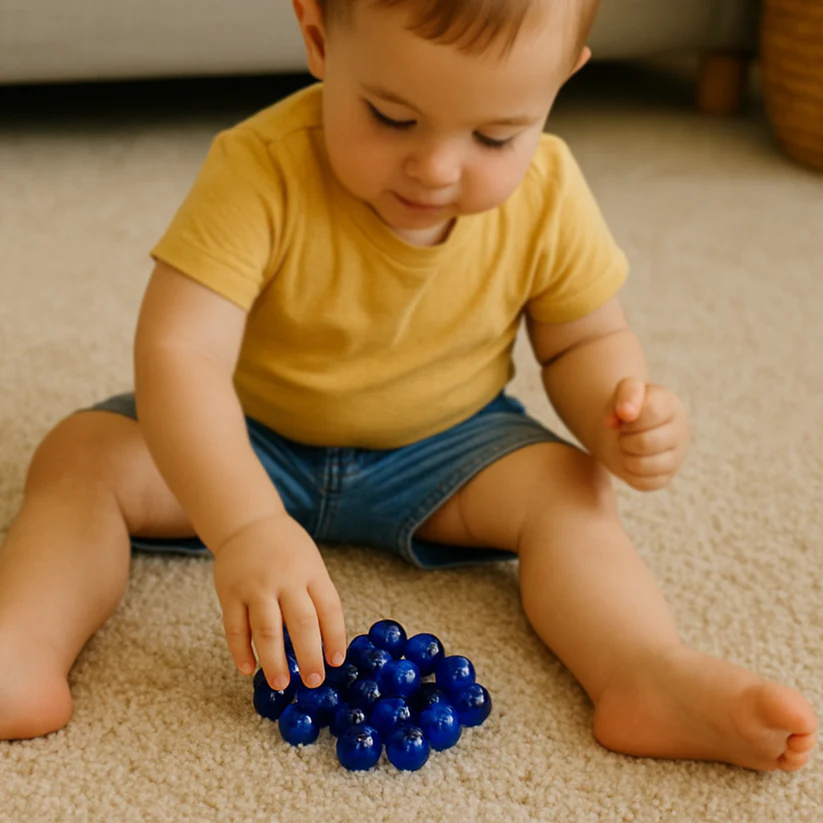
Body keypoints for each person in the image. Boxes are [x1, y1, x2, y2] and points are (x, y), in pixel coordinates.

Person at [0, 0, 816, 771]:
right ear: (318, 38)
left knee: (571, 486)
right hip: (250, 440)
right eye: (391, 117)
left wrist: (619, 412)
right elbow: (180, 352)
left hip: (450, 448)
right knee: (83, 457)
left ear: (561, 80)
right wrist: (245, 523)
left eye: (497, 135)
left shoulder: (551, 192)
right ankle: (22, 646)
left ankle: (644, 669)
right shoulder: (258, 168)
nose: (434, 167)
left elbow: (583, 341)